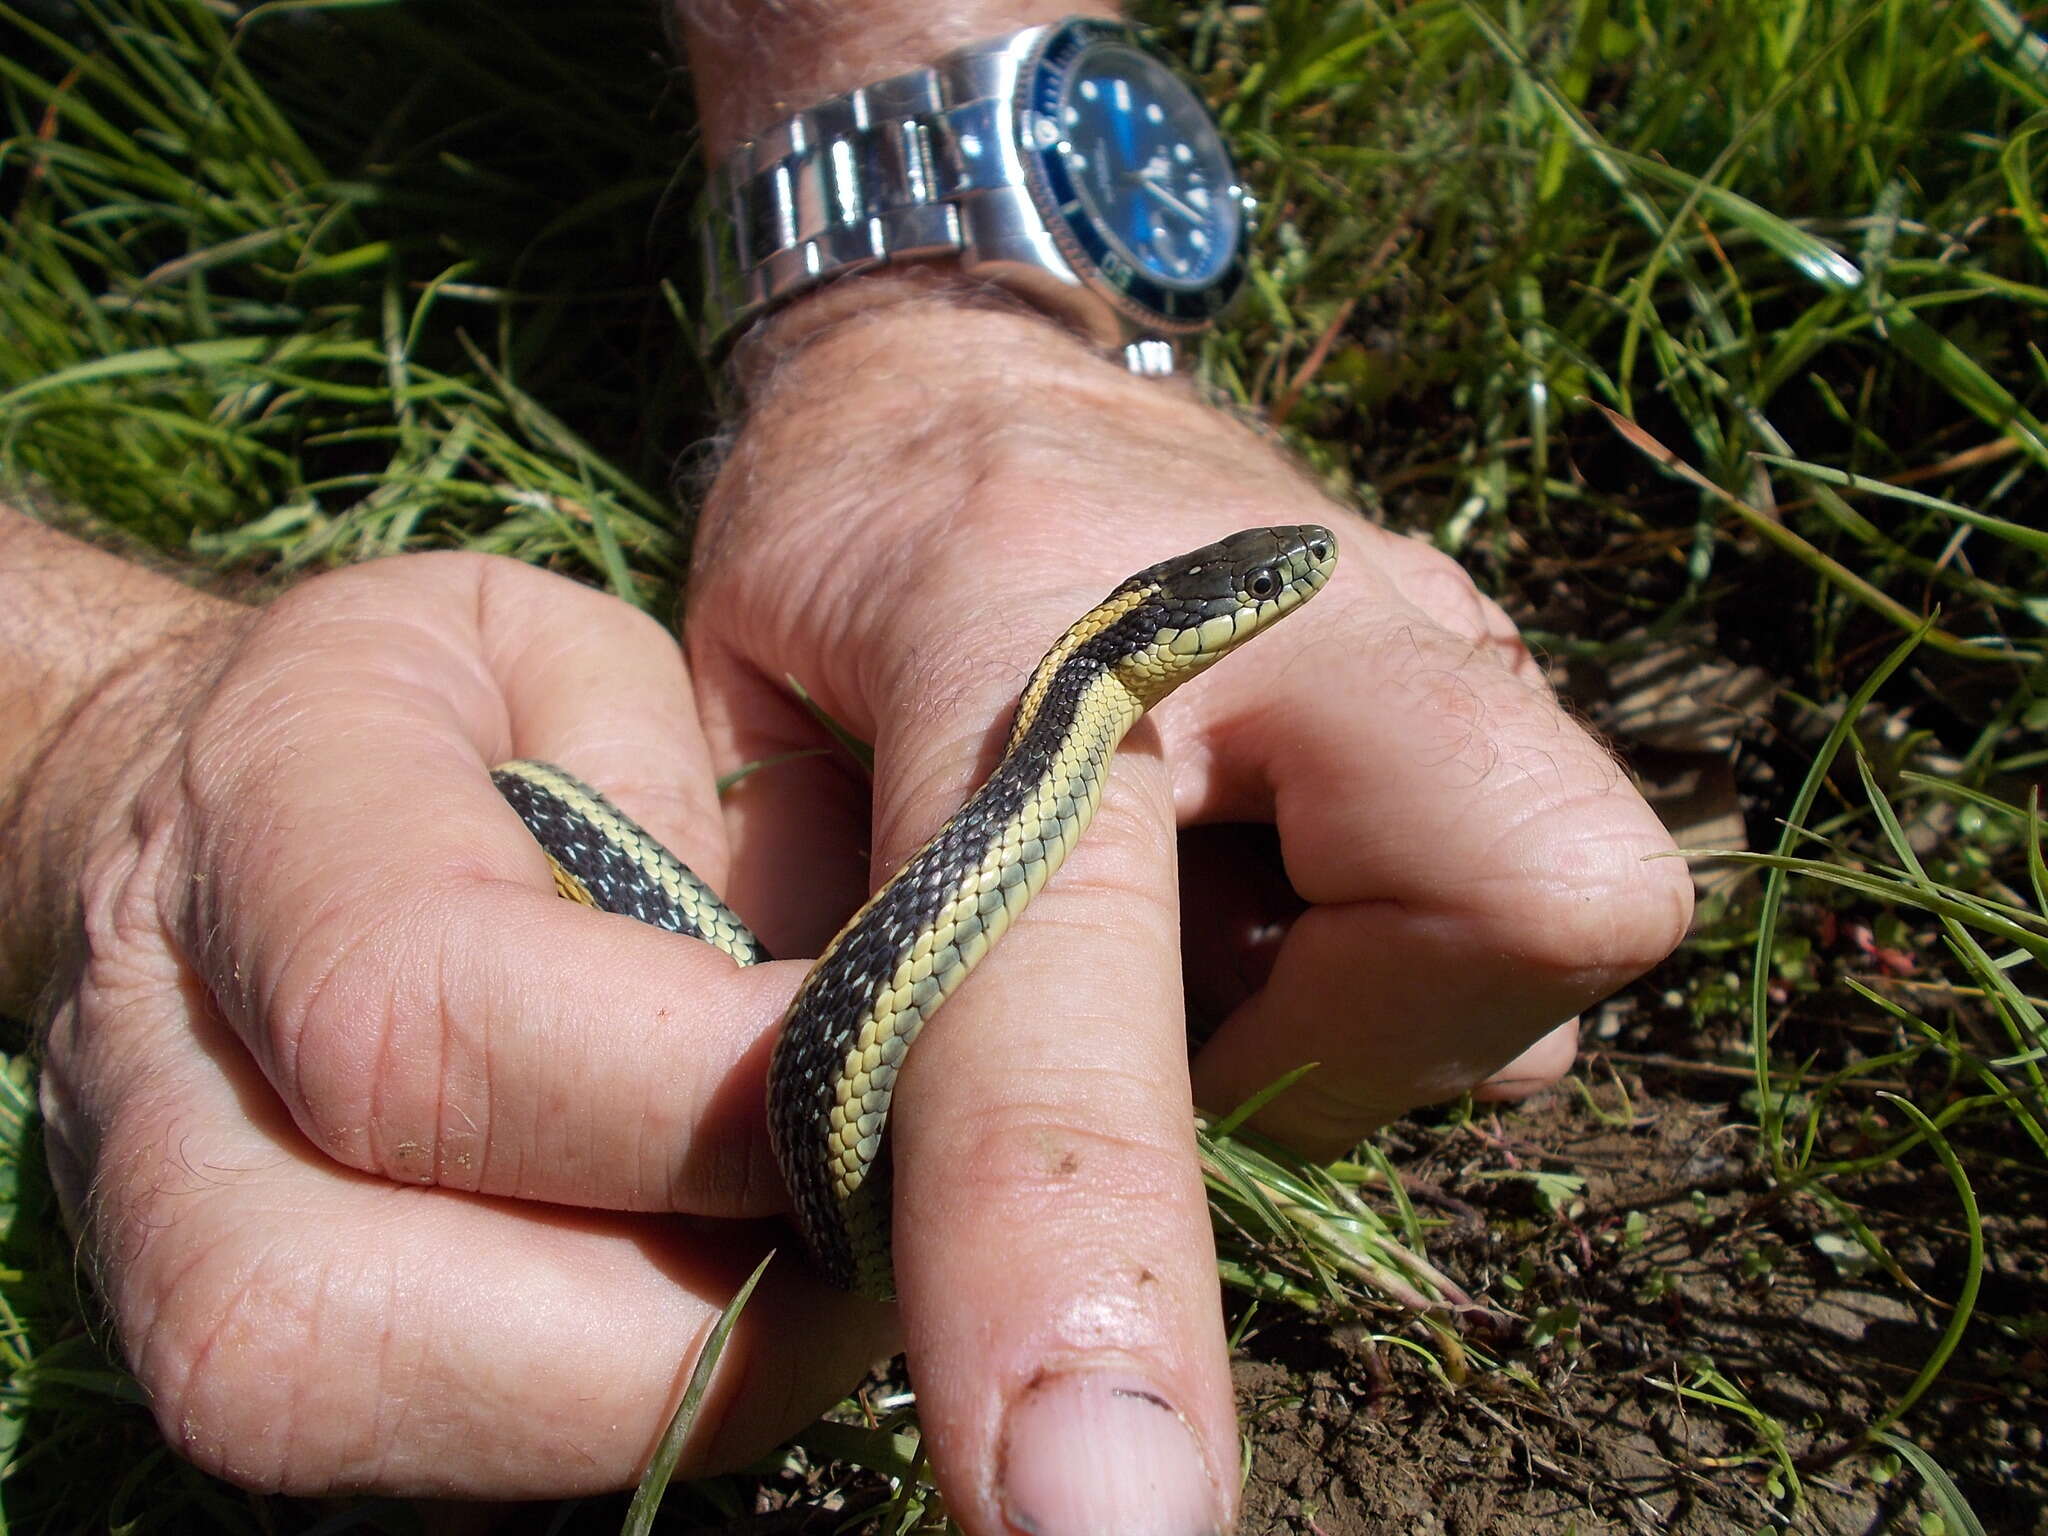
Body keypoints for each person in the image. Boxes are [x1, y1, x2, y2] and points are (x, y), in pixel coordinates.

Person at [0, 3, 1692, 1531]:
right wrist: (84, 739)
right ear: (1145, 640)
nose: (1280, 600)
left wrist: (937, 319)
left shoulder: (1085, 703)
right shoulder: (1074, 708)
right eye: (1250, 598)